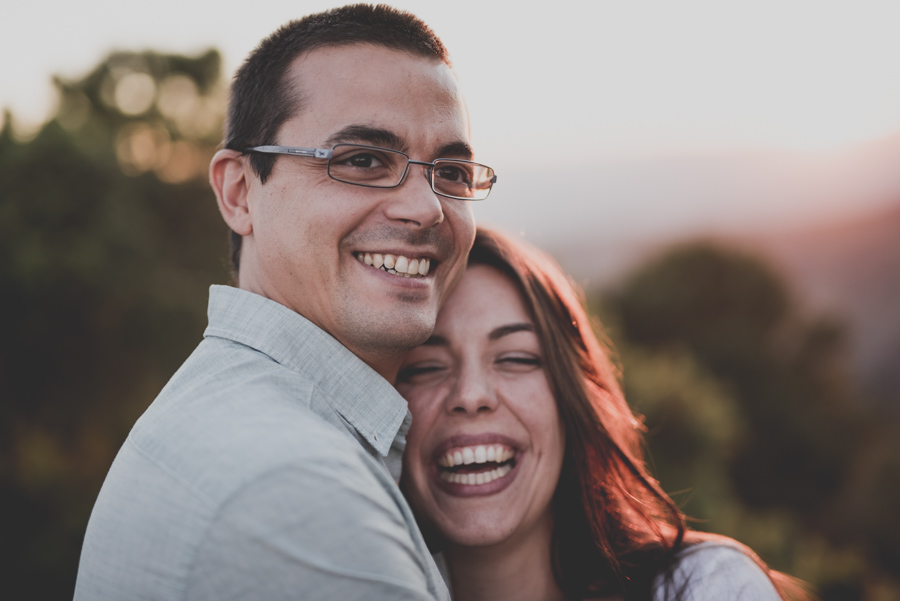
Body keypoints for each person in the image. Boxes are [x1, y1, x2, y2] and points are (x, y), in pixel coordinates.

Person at [75, 5, 496, 600]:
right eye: (363, 160)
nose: (426, 208)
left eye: (450, 171)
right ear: (241, 191)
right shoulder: (298, 490)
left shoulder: (239, 411)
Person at [396, 227, 811, 601]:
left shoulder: (702, 587)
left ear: (572, 396)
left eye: (516, 358)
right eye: (425, 366)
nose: (470, 395)